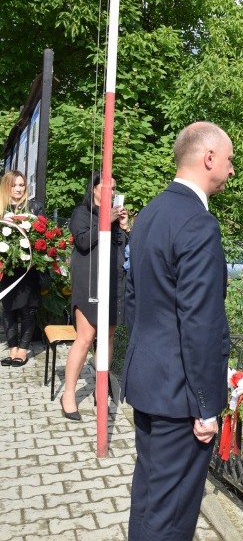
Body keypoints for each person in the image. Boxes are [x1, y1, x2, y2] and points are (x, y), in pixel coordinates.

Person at [121, 121, 234, 540]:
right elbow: (200, 322)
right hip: (180, 399)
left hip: (148, 382)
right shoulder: (198, 224)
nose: (231, 169)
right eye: (229, 159)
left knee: (150, 498)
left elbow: (134, 300)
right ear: (208, 158)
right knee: (171, 516)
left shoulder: (150, 213)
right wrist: (206, 407)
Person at [59, 171, 130, 420]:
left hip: (113, 282)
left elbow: (122, 248)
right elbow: (83, 242)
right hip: (89, 282)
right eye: (107, 186)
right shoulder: (82, 213)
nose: (111, 190)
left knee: (108, 335)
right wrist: (106, 219)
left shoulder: (113, 215)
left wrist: (123, 227)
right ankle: (69, 393)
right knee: (86, 337)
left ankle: (101, 389)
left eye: (114, 187)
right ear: (95, 188)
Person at [0, 171, 44, 367]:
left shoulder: (34, 208)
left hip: (28, 269)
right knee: (8, 310)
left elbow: (43, 236)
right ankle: (11, 350)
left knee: (27, 310)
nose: (18, 189)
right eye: (14, 185)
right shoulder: (1, 210)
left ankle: (23, 351)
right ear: (6, 187)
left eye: (22, 185)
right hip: (7, 269)